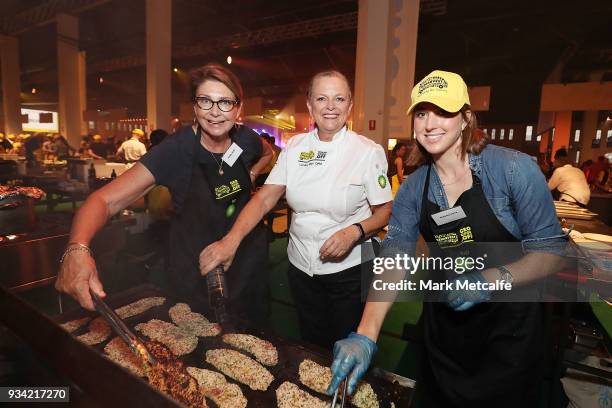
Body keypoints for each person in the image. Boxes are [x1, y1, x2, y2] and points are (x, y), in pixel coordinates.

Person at [327, 70, 566, 406]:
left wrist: (489, 280)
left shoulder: (512, 170)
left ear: (466, 118)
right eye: (422, 113)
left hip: (510, 337)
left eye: (443, 112)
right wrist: (365, 334)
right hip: (445, 337)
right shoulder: (413, 188)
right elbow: (395, 258)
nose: (430, 123)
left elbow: (552, 250)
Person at [55, 63, 273, 324]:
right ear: (194, 106)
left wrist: (251, 174)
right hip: (197, 269)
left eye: (225, 102)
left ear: (239, 108)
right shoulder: (175, 150)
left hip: (246, 260)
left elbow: (268, 152)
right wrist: (77, 248)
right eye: (205, 101)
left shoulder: (246, 139)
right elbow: (104, 200)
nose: (215, 112)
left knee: (254, 337)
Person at [200, 70, 393, 349]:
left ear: (350, 106)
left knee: (346, 346)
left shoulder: (366, 151)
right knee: (312, 346)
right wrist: (231, 240)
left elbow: (385, 211)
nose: (330, 106)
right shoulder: (295, 147)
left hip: (349, 271)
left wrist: (354, 232)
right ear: (310, 105)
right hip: (301, 268)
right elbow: (265, 198)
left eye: (339, 99)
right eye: (321, 98)